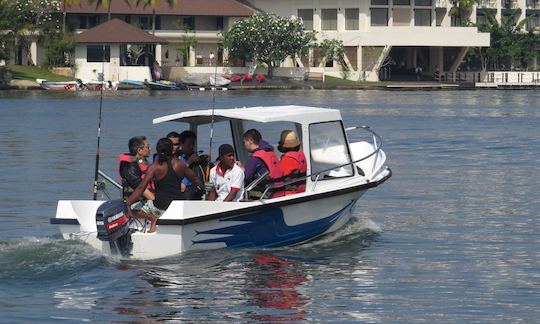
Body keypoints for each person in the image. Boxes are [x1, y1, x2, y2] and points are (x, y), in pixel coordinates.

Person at [127, 138, 202, 233]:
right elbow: (196, 180)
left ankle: (152, 218)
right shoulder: (180, 165)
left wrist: (127, 204)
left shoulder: (154, 167)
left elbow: (141, 188)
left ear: (158, 151)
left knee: (132, 208)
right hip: (175, 206)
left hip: (158, 207)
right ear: (172, 150)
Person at [118, 136, 156, 228]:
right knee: (133, 209)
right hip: (136, 203)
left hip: (146, 199)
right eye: (147, 147)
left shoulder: (142, 162)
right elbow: (140, 187)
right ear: (139, 150)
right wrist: (155, 201)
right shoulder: (130, 167)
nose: (150, 149)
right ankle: (152, 219)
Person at [242, 129, 283, 198]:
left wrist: (242, 171)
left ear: (250, 141)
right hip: (279, 189)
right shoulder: (271, 152)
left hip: (266, 193)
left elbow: (246, 179)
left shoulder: (254, 159)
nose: (244, 145)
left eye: (244, 142)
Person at [178, 130, 207, 200]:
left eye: (193, 144)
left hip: (197, 190)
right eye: (188, 144)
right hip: (185, 192)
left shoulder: (196, 159)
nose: (191, 147)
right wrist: (189, 162)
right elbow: (177, 174)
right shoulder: (178, 158)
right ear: (181, 144)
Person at [277, 130, 307, 195]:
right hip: (302, 189)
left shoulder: (287, 159)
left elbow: (278, 176)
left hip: (290, 192)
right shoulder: (301, 155)